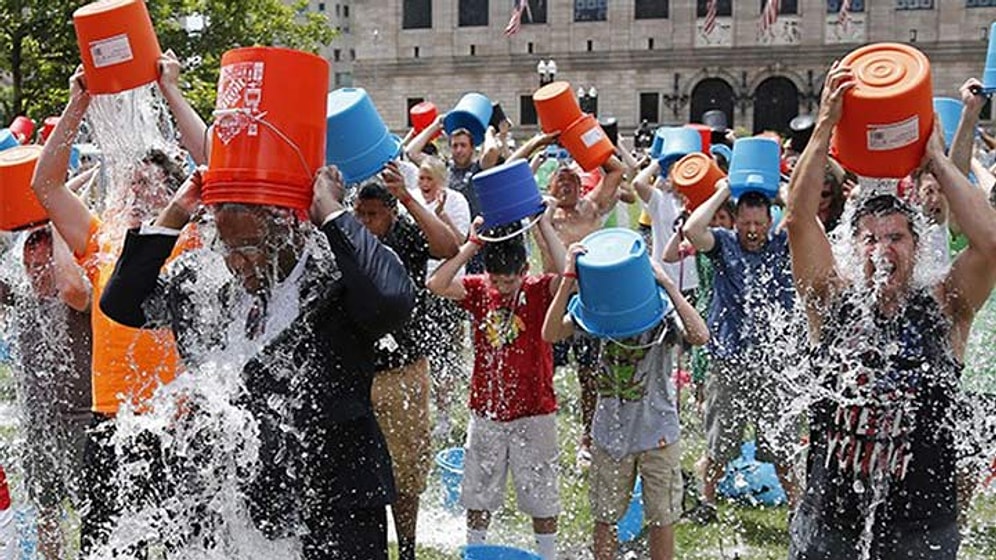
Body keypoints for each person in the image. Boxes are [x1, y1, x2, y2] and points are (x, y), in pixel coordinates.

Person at [99, 165, 414, 559]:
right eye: (227, 248)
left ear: (289, 229)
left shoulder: (337, 279)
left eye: (249, 247)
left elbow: (391, 299)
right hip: (229, 503)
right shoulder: (205, 286)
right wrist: (176, 212)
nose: (237, 263)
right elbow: (122, 302)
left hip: (333, 504)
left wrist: (332, 212)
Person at [784, 62, 996, 559]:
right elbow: (797, 220)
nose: (883, 249)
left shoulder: (945, 306)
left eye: (897, 237)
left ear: (917, 248)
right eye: (871, 238)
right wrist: (825, 126)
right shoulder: (830, 299)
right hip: (828, 525)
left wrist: (937, 161)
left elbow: (989, 245)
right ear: (851, 249)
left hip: (921, 531)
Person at [29, 60, 204, 554]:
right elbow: (45, 187)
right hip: (110, 417)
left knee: (175, 546)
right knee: (103, 546)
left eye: (153, 183)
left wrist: (170, 90)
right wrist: (75, 105)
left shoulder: (190, 239)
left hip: (175, 419)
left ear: (175, 195)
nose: (140, 190)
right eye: (135, 181)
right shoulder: (102, 239)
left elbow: (217, 161)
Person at [542, 243, 709, 560]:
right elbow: (550, 334)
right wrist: (567, 279)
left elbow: (700, 336)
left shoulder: (661, 312)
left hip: (658, 435)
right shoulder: (596, 310)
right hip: (610, 434)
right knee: (605, 516)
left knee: (662, 518)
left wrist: (670, 286)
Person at [426, 208, 566, 560]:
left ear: (525, 271)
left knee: (541, 493)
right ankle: (476, 550)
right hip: (486, 411)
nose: (502, 289)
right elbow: (436, 283)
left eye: (509, 281)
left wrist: (544, 226)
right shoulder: (478, 291)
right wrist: (472, 245)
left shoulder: (536, 291)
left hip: (534, 411)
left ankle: (546, 555)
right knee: (478, 491)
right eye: (496, 281)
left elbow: (568, 276)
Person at [352, 161, 459, 560]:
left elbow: (449, 247)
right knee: (363, 469)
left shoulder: (406, 236)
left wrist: (408, 198)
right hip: (359, 372)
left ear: (390, 215)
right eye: (359, 214)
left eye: (373, 215)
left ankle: (409, 550)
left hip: (404, 371)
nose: (365, 222)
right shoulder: (346, 239)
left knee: (406, 471)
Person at [681, 177, 798, 522]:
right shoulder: (723, 244)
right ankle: (707, 503)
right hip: (728, 360)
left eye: (758, 223)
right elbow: (691, 229)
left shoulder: (782, 243)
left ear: (770, 221)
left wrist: (786, 193)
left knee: (783, 446)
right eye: (745, 223)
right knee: (719, 443)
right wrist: (723, 191)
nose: (751, 231)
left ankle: (797, 509)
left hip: (773, 362)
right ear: (734, 221)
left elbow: (810, 223)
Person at [0, 224, 91, 560]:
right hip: (40, 423)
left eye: (42, 266)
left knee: (91, 511)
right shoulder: (23, 300)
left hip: (82, 420)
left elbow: (71, 288)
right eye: (29, 267)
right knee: (46, 512)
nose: (34, 275)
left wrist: (58, 222)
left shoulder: (81, 297)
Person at [408, 155, 472, 439]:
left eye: (428, 179)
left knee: (446, 353)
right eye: (420, 178)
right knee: (422, 351)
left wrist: (442, 215)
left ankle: (445, 414)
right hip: (418, 286)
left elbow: (460, 242)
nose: (423, 184)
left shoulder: (456, 201)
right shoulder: (409, 199)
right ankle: (424, 410)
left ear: (440, 180)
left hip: (448, 287)